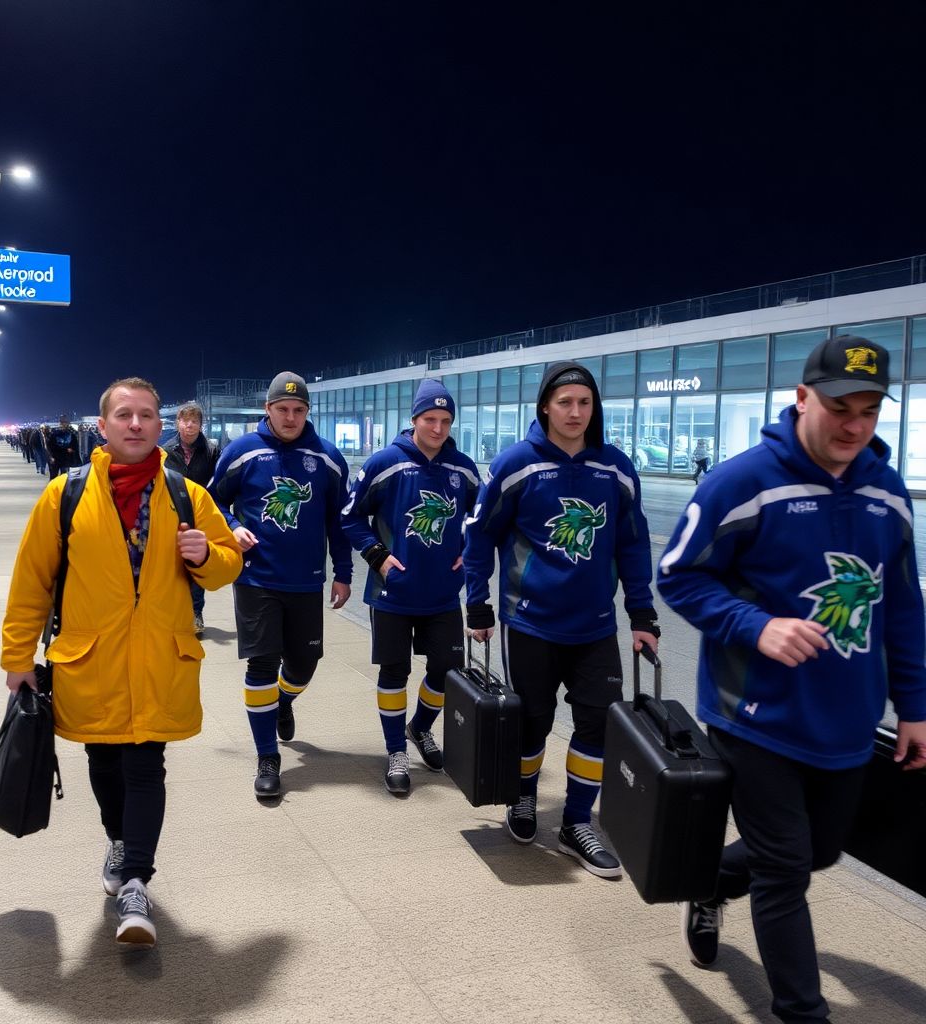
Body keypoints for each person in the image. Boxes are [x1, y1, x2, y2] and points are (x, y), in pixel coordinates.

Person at [657, 335, 926, 1024]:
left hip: (846, 717)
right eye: (840, 407)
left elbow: (902, 606)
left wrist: (914, 705)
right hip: (755, 713)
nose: (855, 426)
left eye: (869, 411)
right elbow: (679, 575)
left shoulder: (887, 492)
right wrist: (755, 626)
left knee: (819, 852)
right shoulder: (743, 482)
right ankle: (802, 1013)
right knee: (784, 870)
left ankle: (710, 882)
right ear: (802, 398)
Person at [0, 377, 243, 947]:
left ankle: (136, 880)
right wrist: (17, 656)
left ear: (160, 425)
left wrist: (206, 555)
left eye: (147, 415)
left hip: (159, 658)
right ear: (103, 426)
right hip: (92, 660)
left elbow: (228, 562)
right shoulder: (64, 495)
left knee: (145, 764)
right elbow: (32, 581)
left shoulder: (187, 494)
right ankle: (118, 840)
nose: (136, 424)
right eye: (125, 414)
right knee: (104, 760)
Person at [463, 361, 660, 877]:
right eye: (565, 402)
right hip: (530, 622)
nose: (576, 412)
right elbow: (480, 535)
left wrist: (642, 613)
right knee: (533, 722)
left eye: (585, 402)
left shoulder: (616, 468)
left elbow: (633, 543)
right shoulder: (517, 464)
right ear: (546, 407)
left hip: (596, 625)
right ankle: (524, 797)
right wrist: (478, 603)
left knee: (598, 723)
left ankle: (576, 822)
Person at [210, 370, 353, 800]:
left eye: (298, 410)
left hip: (306, 580)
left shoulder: (327, 458)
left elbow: (338, 520)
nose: (290, 418)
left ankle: (284, 701)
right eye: (282, 409)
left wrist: (343, 572)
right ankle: (267, 757)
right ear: (267, 409)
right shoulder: (242, 451)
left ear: (307, 412)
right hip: (256, 577)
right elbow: (211, 499)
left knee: (304, 665)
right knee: (261, 664)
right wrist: (231, 526)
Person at [341, 379, 480, 793]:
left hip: (443, 594)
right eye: (430, 419)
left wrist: (469, 550)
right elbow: (349, 517)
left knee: (446, 670)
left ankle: (419, 727)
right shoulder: (385, 462)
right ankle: (395, 751)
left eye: (445, 420)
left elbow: (482, 519)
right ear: (414, 419)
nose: (438, 428)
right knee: (395, 671)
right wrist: (377, 556)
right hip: (393, 594)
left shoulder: (463, 468)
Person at [163, 402, 220, 636]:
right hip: (172, 513)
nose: (189, 425)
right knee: (173, 565)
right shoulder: (166, 450)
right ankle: (174, 613)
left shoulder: (211, 451)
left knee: (197, 563)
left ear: (200, 425)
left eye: (194, 421)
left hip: (200, 514)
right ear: (178, 423)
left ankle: (196, 613)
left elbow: (218, 482)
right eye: (185, 421)